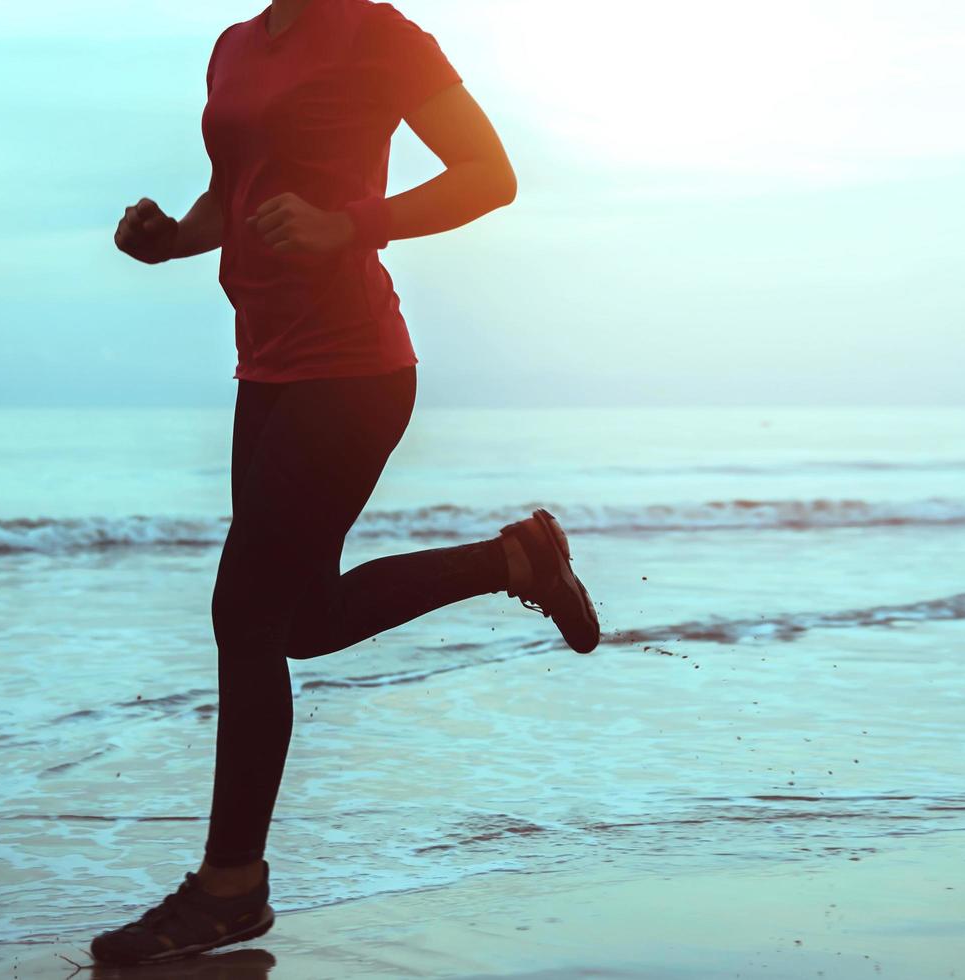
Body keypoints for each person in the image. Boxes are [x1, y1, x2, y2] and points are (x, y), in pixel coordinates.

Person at [97, 0, 598, 964]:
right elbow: (233, 192)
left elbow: (490, 176)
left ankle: (231, 886)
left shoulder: (381, 35)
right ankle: (514, 559)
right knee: (297, 623)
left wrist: (348, 226)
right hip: (266, 371)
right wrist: (172, 239)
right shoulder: (235, 46)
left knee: (245, 615)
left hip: (356, 367)